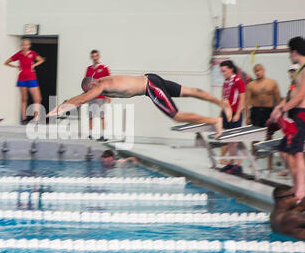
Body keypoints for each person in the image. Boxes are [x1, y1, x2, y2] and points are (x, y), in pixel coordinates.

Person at [46, 73, 232, 138]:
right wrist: (58, 108)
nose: (92, 93)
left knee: (176, 115)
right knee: (189, 91)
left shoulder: (100, 85)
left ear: (92, 85)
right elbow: (78, 97)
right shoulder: (100, 83)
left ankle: (214, 121)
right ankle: (221, 103)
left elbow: (83, 99)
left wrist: (58, 110)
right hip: (151, 77)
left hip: (150, 87)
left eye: (90, 90)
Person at [268, 37, 305, 201]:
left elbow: (301, 95)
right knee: (284, 152)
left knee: (296, 154)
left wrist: (284, 109)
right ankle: (296, 185)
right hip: (294, 113)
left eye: (290, 53)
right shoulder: (298, 69)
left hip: (301, 114)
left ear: (294, 51)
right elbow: (291, 94)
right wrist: (278, 109)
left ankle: (300, 190)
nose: (290, 56)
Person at [245, 63, 281, 169]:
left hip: (268, 111)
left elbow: (278, 100)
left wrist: (279, 114)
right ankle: (253, 161)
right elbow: (246, 102)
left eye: (259, 70)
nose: (258, 72)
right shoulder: (251, 85)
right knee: (254, 136)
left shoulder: (272, 83)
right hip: (255, 111)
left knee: (269, 137)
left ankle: (270, 165)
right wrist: (247, 117)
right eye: (256, 70)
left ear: (264, 70)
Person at [5, 39, 45, 124]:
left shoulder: (32, 53)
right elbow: (6, 62)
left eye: (27, 45)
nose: (25, 46)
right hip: (22, 78)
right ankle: (24, 119)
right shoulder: (19, 54)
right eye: (23, 45)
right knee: (24, 99)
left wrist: (34, 64)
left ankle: (36, 118)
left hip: (31, 78)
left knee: (37, 98)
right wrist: (16, 67)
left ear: (29, 45)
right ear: (21, 45)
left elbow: (41, 60)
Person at [218, 60, 246, 175]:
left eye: (224, 71)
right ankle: (230, 163)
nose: (223, 73)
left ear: (231, 69)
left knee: (235, 141)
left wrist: (238, 113)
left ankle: (238, 165)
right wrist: (221, 113)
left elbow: (242, 98)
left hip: (235, 113)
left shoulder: (238, 81)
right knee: (229, 140)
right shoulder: (225, 82)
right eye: (221, 71)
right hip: (226, 112)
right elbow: (224, 98)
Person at [278, 64, 299, 177]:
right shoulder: (292, 86)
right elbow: (287, 99)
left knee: (292, 151)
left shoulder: (301, 86)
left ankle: (297, 175)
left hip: (299, 124)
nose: (292, 74)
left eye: (294, 71)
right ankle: (290, 170)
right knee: (285, 150)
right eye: (290, 71)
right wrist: (279, 109)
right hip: (291, 124)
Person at [85, 50, 111, 141]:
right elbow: (86, 81)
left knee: (102, 116)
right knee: (91, 116)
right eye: (93, 56)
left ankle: (103, 135)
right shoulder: (89, 68)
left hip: (101, 95)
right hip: (91, 95)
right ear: (91, 57)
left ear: (99, 56)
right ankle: (90, 135)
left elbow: (109, 81)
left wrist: (108, 95)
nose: (95, 57)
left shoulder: (104, 68)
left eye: (96, 56)